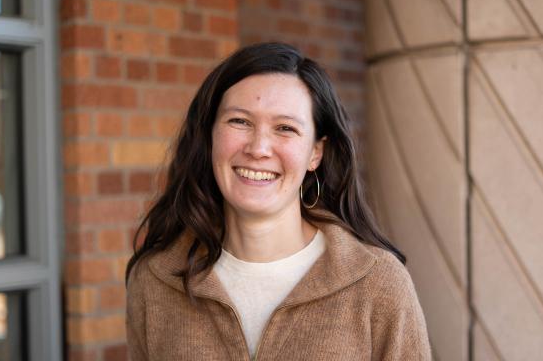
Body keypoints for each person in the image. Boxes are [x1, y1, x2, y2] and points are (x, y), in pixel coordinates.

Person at [125, 42, 431, 360]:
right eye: (239, 122)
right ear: (210, 136)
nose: (259, 148)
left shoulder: (378, 283)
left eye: (285, 128)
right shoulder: (155, 279)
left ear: (316, 152)